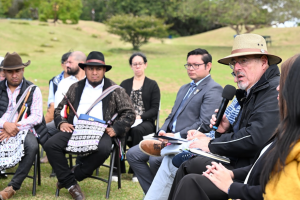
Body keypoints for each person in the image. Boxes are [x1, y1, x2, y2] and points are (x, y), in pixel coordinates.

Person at [169, 54, 300, 200]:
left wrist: (232, 186)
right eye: (234, 63)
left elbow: (254, 139)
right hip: (246, 170)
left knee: (191, 179)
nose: (237, 68)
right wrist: (225, 130)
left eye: (244, 61)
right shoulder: (253, 94)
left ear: (263, 62)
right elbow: (264, 161)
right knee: (187, 168)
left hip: (246, 174)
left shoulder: (268, 93)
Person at [126, 48, 223, 197]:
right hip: (168, 138)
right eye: (188, 65)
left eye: (195, 65)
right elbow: (172, 115)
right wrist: (163, 132)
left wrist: (175, 135)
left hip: (186, 140)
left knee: (155, 160)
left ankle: (163, 195)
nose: (190, 68)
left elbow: (204, 124)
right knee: (133, 154)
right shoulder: (184, 88)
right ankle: (155, 194)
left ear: (208, 66)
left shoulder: (213, 89)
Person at [44, 51, 135, 200]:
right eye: (90, 69)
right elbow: (59, 108)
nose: (94, 72)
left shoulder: (115, 90)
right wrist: (62, 122)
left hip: (101, 131)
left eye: (98, 69)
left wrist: (116, 128)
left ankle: (73, 176)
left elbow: (129, 113)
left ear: (104, 70)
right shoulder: (75, 87)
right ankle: (71, 184)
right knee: (50, 145)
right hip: (75, 129)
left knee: (104, 148)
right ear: (84, 69)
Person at [0, 52, 47, 199]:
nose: (14, 75)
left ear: (23, 70)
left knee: (32, 147)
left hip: (24, 129)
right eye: (10, 71)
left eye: (17, 71)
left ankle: (12, 186)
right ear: (4, 72)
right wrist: (4, 124)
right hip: (2, 126)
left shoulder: (34, 90)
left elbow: (37, 116)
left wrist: (14, 126)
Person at [116, 52, 160, 182]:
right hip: (127, 119)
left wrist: (140, 116)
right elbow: (118, 104)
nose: (137, 66)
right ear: (131, 66)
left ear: (145, 65)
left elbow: (154, 108)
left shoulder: (152, 85)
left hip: (145, 121)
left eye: (140, 63)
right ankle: (118, 167)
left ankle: (135, 169)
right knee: (120, 129)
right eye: (134, 64)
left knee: (137, 130)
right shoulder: (125, 83)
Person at [46, 51, 86, 138]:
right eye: (66, 62)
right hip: (67, 121)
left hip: (88, 123)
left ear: (81, 64)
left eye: (70, 62)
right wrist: (62, 122)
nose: (66, 65)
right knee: (44, 131)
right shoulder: (63, 83)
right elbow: (58, 109)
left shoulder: (92, 82)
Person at [41, 51, 71, 163]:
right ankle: (53, 153)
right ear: (62, 64)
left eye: (71, 62)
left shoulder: (78, 79)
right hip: (55, 110)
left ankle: (54, 153)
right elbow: (51, 100)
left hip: (69, 116)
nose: (68, 65)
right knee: (42, 128)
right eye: (67, 62)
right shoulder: (55, 81)